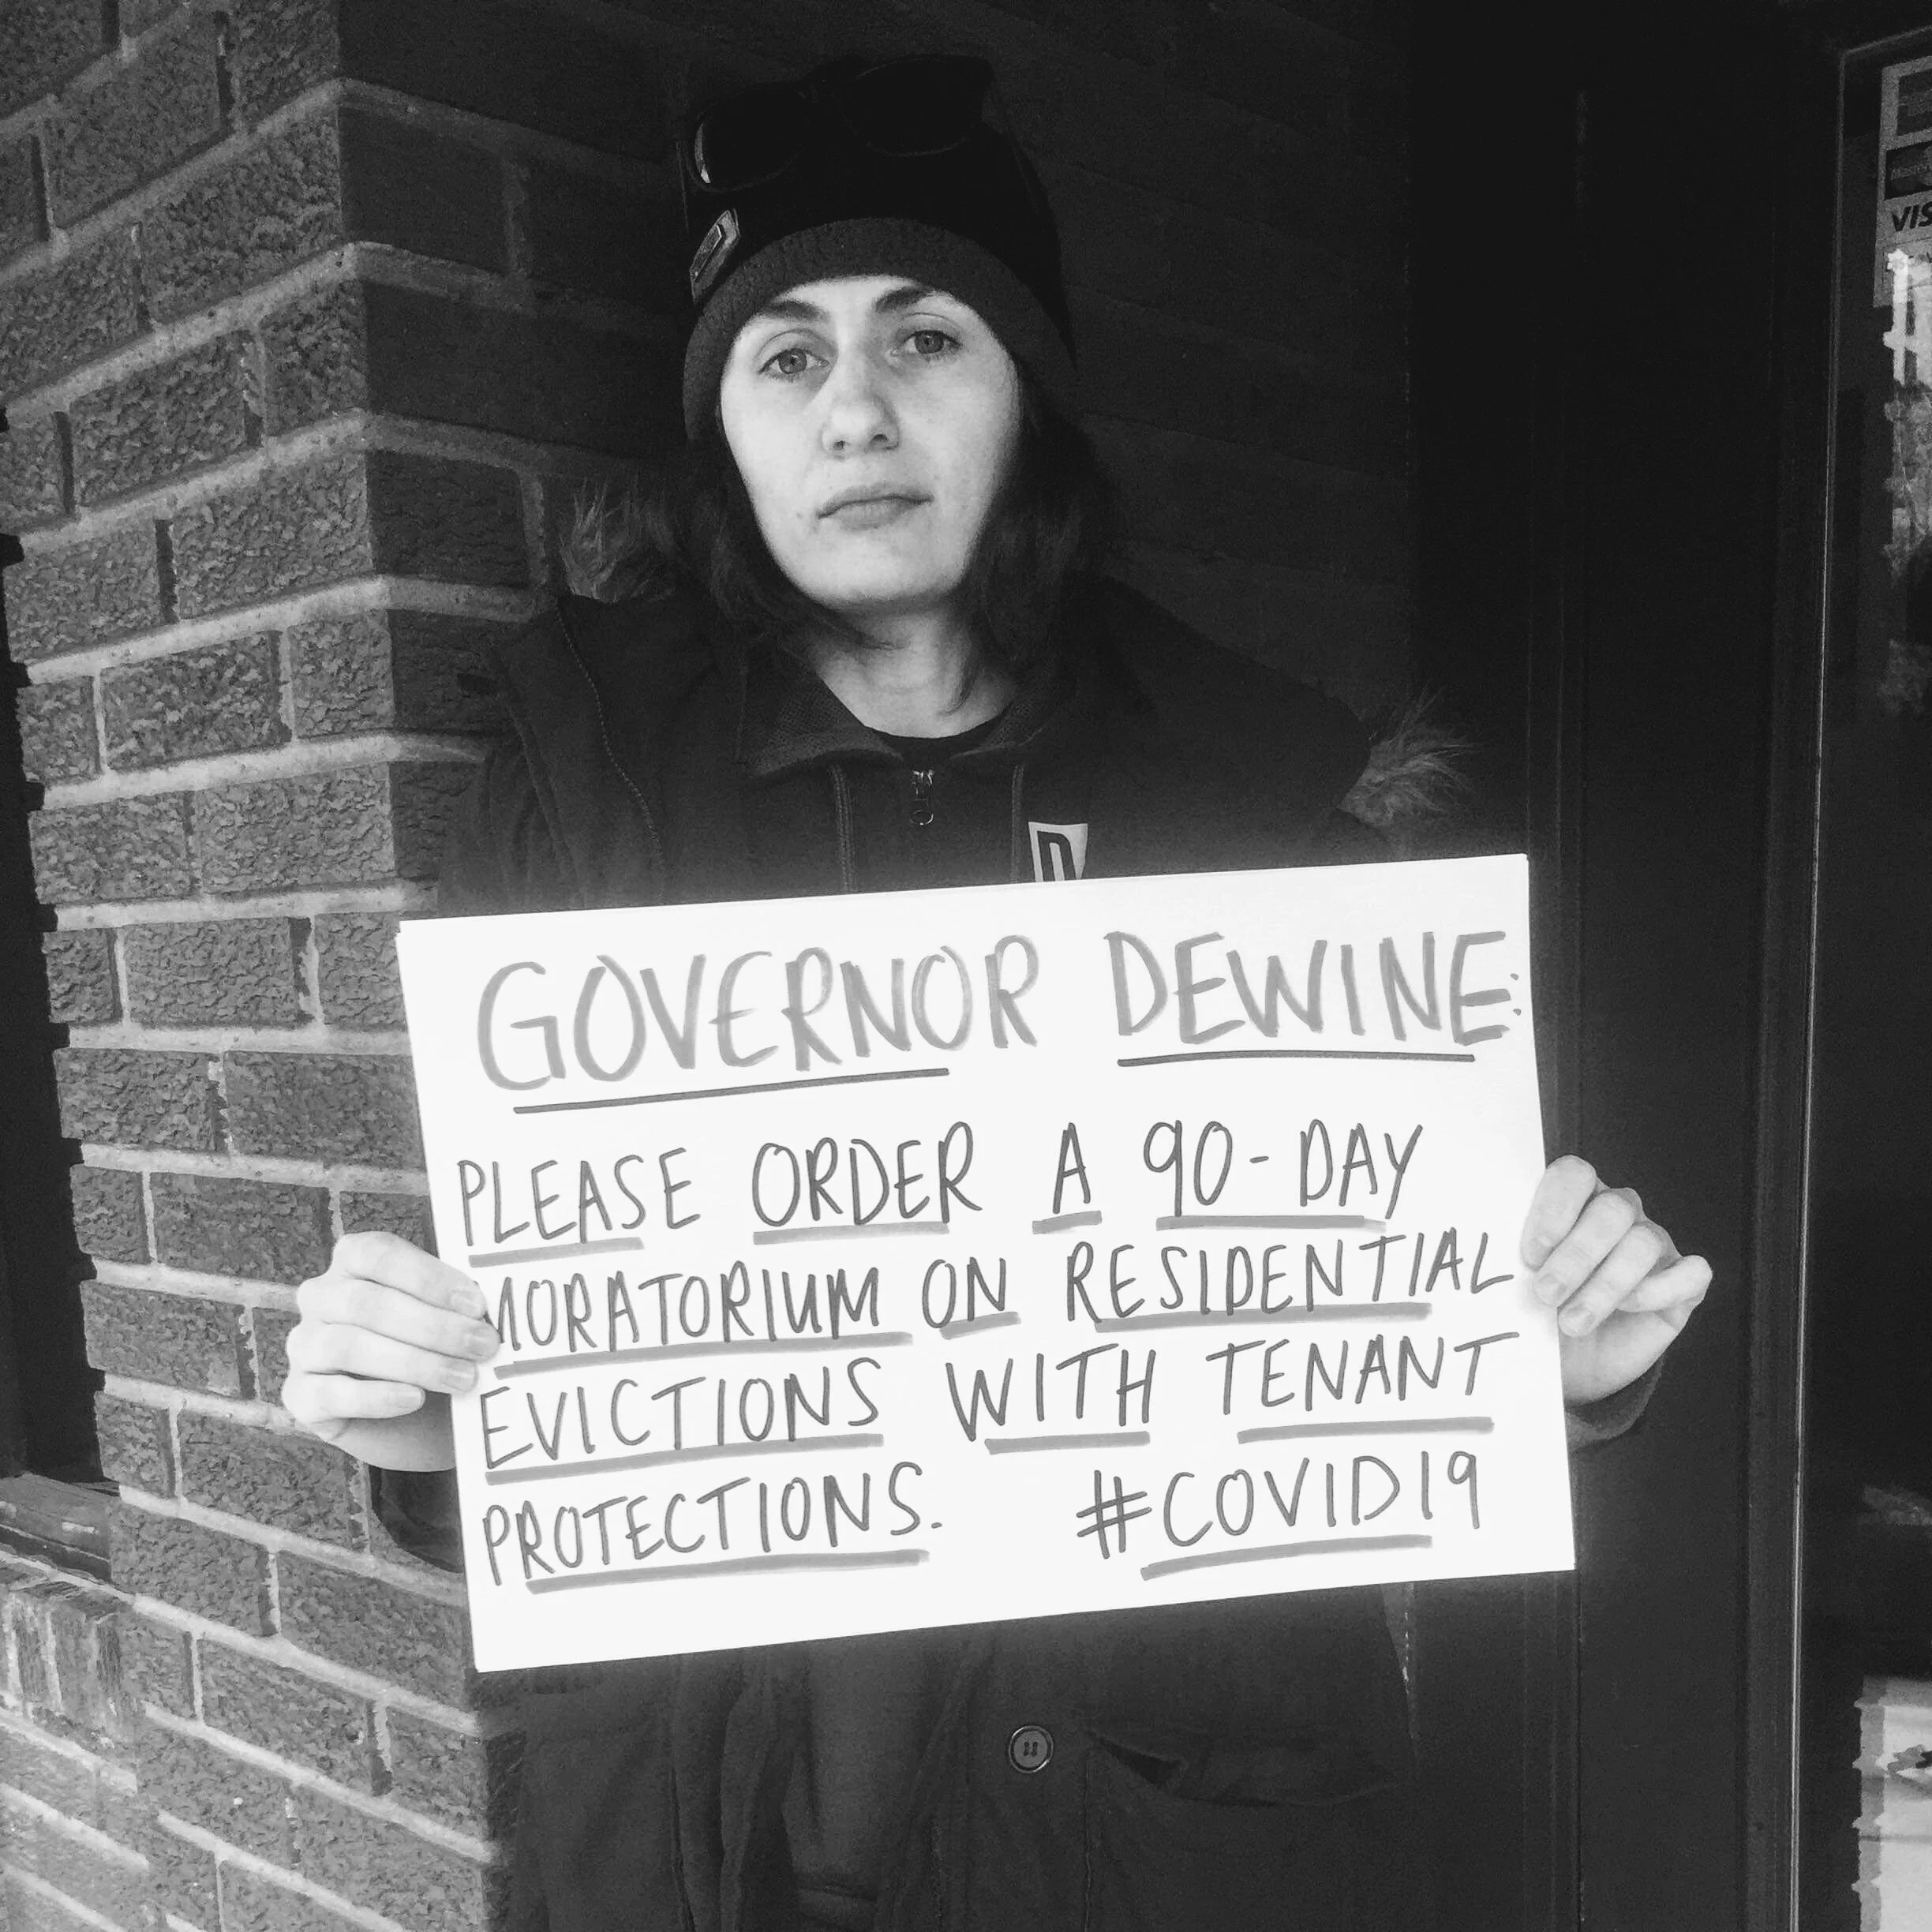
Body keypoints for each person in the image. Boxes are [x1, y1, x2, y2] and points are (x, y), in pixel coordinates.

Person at [281, 54, 1711, 1931]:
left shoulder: (1264, 798)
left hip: (1171, 1842)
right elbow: (551, 1358)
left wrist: (1566, 1375)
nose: (856, 409)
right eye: (785, 354)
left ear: (1028, 391)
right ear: (726, 429)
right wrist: (421, 1430)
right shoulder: (581, 785)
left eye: (927, 336)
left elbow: (1363, 1330)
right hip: (716, 1850)